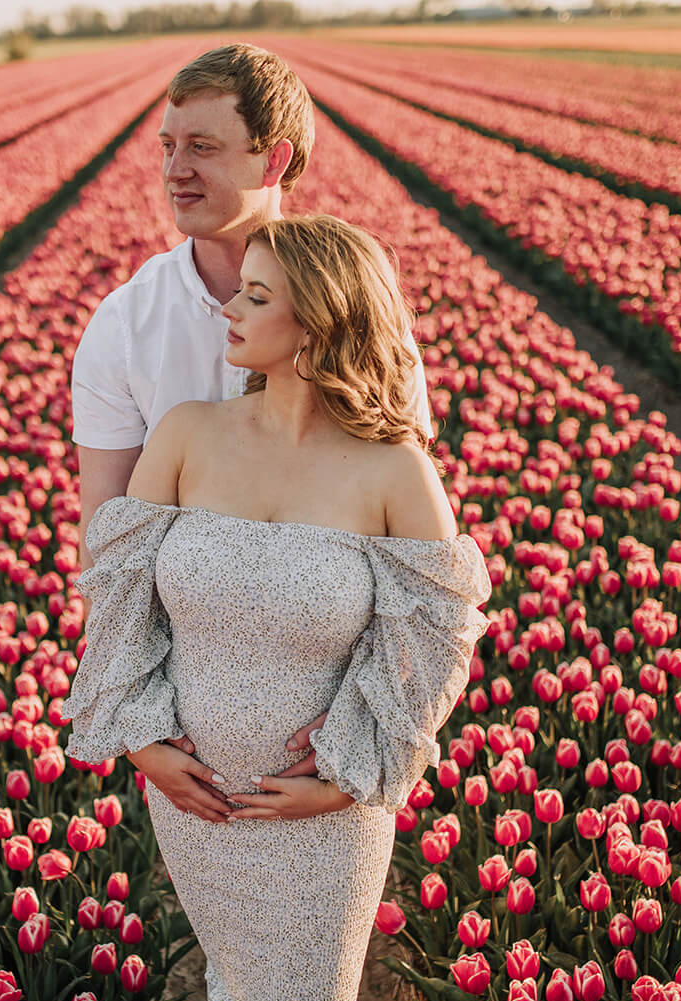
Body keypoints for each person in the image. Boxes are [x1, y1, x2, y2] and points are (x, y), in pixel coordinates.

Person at [62, 215, 490, 1001]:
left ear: (319, 323)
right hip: (194, 804)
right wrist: (142, 742)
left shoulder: (394, 467)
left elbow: (437, 645)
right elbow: (118, 602)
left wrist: (344, 778)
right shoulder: (185, 434)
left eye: (257, 296)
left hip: (324, 817)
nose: (231, 308)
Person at [70, 42, 433, 822]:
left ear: (274, 161)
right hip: (183, 730)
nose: (175, 170)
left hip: (327, 731)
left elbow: (413, 560)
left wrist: (359, 744)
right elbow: (106, 545)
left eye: (203, 147)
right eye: (168, 146)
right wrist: (140, 731)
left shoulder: (366, 313)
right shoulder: (124, 328)